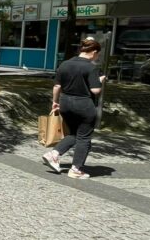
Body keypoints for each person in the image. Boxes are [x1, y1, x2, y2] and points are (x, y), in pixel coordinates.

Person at [42, 38, 106, 179]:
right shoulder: (91, 67)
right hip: (84, 105)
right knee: (84, 138)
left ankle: (53, 154)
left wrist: (55, 102)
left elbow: (57, 86)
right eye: (98, 54)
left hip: (65, 103)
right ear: (94, 52)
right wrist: (101, 80)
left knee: (74, 134)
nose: (97, 57)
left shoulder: (64, 64)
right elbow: (95, 90)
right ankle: (75, 169)